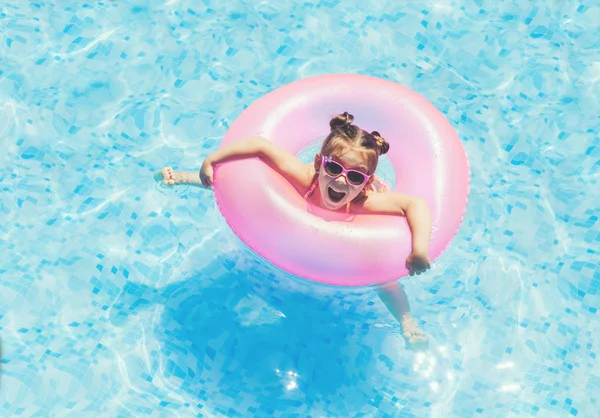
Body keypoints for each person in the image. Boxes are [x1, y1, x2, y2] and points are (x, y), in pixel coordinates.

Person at [159, 112, 432, 348]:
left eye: (355, 176)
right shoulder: (306, 180)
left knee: (382, 276)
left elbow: (414, 205)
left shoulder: (364, 202)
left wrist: (419, 250)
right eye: (334, 168)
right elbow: (260, 147)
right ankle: (185, 178)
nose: (341, 180)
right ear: (318, 164)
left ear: (366, 182)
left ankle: (407, 322)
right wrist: (211, 160)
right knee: (241, 189)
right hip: (303, 213)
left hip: (356, 233)